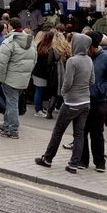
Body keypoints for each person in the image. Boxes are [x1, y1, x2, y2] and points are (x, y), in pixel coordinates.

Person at [35, 33, 94, 172]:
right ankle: (73, 164)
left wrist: (63, 92)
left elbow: (68, 82)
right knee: (79, 134)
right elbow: (92, 81)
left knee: (58, 131)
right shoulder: (89, 60)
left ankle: (47, 159)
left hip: (71, 102)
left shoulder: (72, 61)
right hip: (85, 102)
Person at [81, 32, 107, 172]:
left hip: (98, 101)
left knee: (97, 133)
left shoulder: (106, 58)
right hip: (83, 100)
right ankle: (83, 160)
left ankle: (100, 163)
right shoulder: (85, 57)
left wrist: (99, 91)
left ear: (93, 45)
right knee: (82, 131)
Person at [0, 17, 37, 139]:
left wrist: (2, 78)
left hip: (10, 78)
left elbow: (2, 63)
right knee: (12, 102)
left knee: (12, 104)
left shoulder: (9, 42)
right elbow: (34, 61)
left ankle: (13, 129)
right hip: (23, 79)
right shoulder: (31, 42)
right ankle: (6, 125)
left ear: (10, 27)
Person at [46, 30, 71, 119]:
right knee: (64, 92)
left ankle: (49, 112)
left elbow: (49, 62)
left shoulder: (52, 49)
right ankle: (63, 111)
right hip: (65, 72)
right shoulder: (67, 48)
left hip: (55, 73)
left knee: (53, 93)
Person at [31, 31, 54, 117]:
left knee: (38, 90)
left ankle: (39, 107)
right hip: (42, 73)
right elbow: (47, 63)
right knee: (39, 91)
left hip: (37, 72)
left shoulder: (40, 45)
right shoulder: (48, 49)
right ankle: (38, 109)